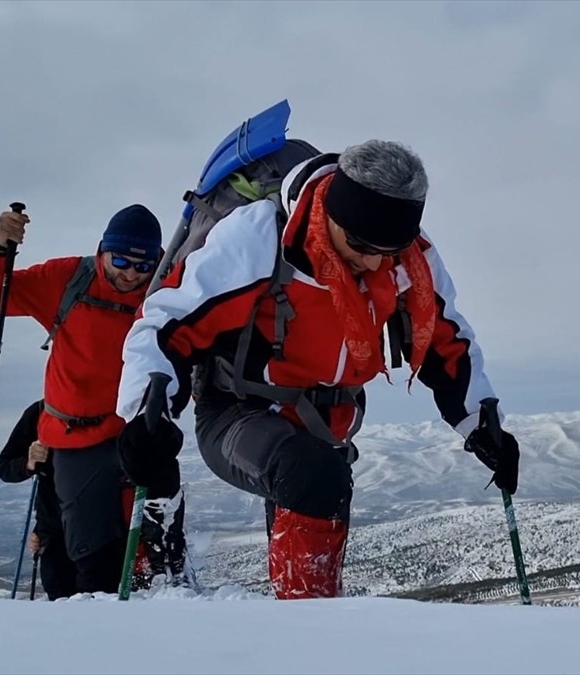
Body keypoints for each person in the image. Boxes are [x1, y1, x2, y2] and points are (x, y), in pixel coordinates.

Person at [114, 139, 520, 599]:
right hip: (237, 409)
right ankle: (306, 625)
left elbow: (447, 338)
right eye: (361, 244)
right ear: (332, 213)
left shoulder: (409, 254)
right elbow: (167, 322)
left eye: (388, 249)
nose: (373, 261)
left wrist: (479, 422)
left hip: (329, 424)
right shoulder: (260, 237)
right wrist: (145, 413)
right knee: (313, 475)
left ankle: (305, 617)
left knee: (323, 485)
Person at [0, 203, 188, 594]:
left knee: (156, 546)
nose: (130, 274)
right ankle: (92, 616)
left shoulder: (164, 289)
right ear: (103, 251)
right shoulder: (67, 279)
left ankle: (168, 596)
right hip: (74, 438)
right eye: (121, 261)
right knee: (94, 554)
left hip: (134, 430)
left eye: (143, 265)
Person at [0, 399, 77, 600]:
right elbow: (4, 467)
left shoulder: (117, 405)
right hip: (57, 534)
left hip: (95, 531)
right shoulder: (41, 412)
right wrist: (29, 463)